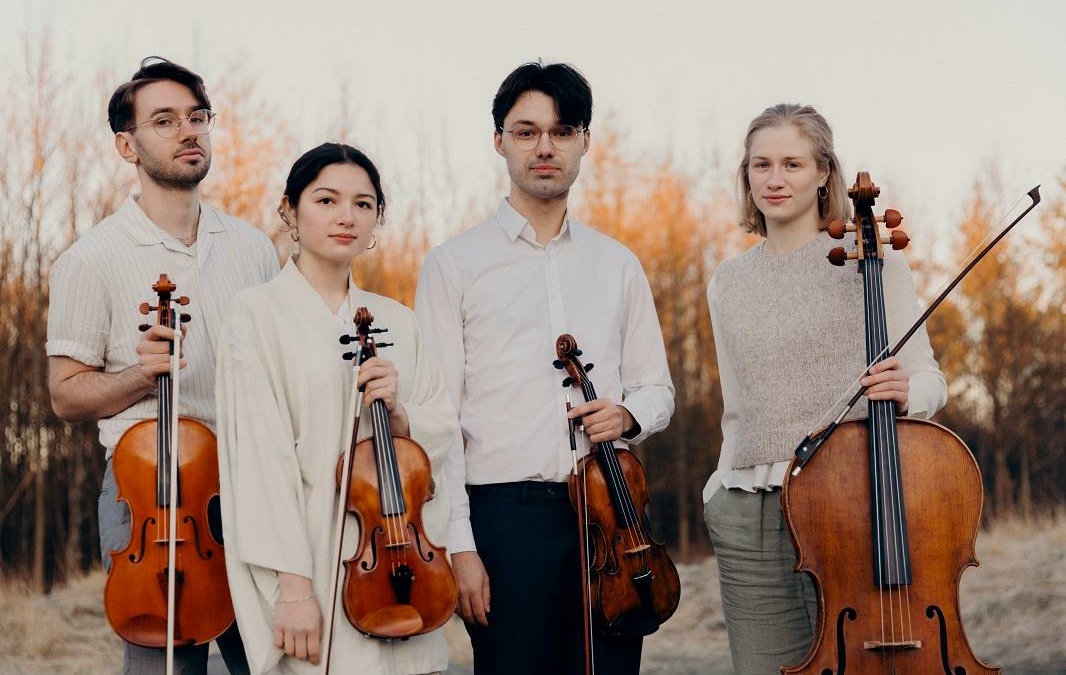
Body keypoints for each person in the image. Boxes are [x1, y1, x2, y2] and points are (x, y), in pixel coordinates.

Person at [414, 61, 675, 675]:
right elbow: (437, 419)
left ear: (585, 141)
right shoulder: (454, 265)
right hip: (505, 517)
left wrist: (628, 413)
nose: (545, 147)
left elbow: (657, 388)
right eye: (526, 131)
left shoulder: (618, 264)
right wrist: (461, 546)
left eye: (562, 131)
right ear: (499, 141)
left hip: (612, 513)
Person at [46, 57, 278, 674]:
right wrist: (138, 375)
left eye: (198, 117)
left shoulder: (253, 248)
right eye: (165, 120)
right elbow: (65, 396)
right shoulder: (89, 259)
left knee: (272, 662)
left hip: (250, 490)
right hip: (148, 494)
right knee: (165, 666)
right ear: (128, 145)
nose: (189, 131)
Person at [700, 103, 948, 675]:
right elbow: (736, 403)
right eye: (760, 164)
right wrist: (719, 485)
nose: (775, 178)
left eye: (792, 163)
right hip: (749, 508)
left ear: (823, 174)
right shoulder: (728, 281)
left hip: (850, 502)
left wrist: (908, 394)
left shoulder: (872, 261)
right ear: (746, 176)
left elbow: (930, 379)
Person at [214, 142, 458, 675]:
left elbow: (444, 436)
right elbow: (258, 458)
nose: (347, 216)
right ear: (289, 211)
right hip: (312, 567)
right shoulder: (255, 314)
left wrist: (402, 418)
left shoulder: (399, 320)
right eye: (326, 200)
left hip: (397, 561)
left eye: (364, 204)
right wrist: (293, 588)